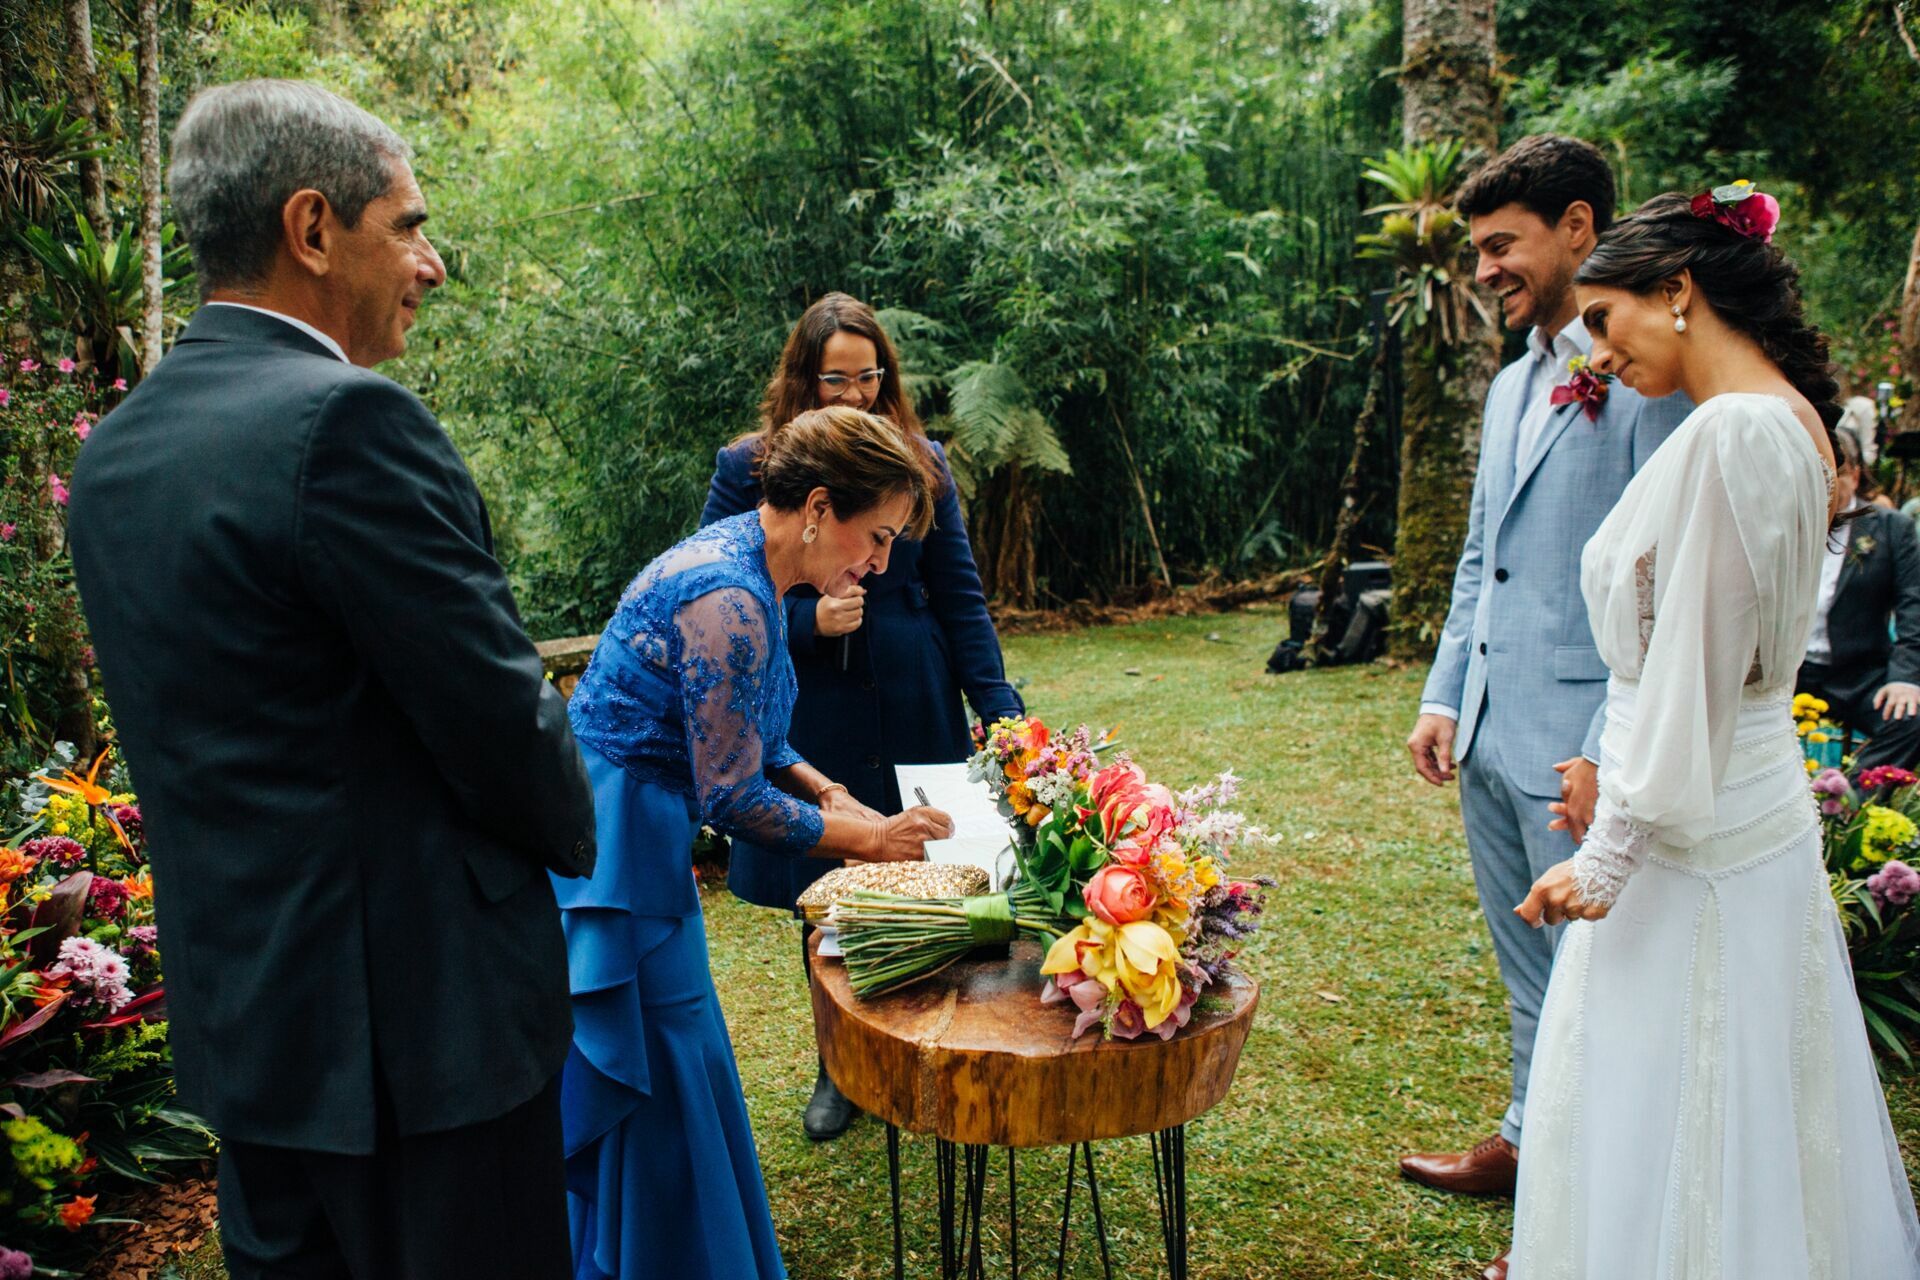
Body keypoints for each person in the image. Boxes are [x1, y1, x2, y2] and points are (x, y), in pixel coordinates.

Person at [67, 81, 597, 1277]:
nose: (434, 262)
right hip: (428, 1052)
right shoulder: (348, 424)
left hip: (255, 1044)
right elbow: (502, 716)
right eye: (408, 224)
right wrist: (577, 827)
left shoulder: (114, 454)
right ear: (313, 229)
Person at [1510, 188, 1920, 1277]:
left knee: (1678, 1100)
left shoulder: (1738, 432)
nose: (1596, 353)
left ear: (1678, 290)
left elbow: (1692, 661)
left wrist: (1606, 857)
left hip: (1692, 847)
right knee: (1743, 1106)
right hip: (1745, 811)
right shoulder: (1792, 423)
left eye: (1604, 319)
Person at [561, 404, 956, 1280]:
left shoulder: (761, 560)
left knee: (675, 1055)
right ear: (820, 506)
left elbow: (759, 737)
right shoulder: (730, 596)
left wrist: (825, 788)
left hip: (641, 823)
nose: (882, 563)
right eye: (877, 535)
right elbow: (734, 794)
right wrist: (871, 838)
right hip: (618, 846)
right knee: (662, 1057)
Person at [1401, 135, 1690, 1255]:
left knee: (1598, 980)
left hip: (1582, 743)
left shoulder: (1643, 376)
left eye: (1501, 245)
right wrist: (1442, 696)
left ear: (1579, 227)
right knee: (1530, 973)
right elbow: (1485, 554)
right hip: (1484, 729)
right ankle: (1528, 1138)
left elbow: (1660, 576)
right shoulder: (1514, 383)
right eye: (1477, 252)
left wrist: (1603, 744)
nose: (1484, 270)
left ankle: (1594, 1195)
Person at [701, 293, 1023, 1139]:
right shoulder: (750, 464)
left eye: (868, 377)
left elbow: (961, 594)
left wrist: (999, 707)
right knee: (829, 884)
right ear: (802, 378)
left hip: (915, 690)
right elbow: (723, 586)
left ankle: (934, 1050)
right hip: (811, 706)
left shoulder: (924, 461)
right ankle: (838, 1064)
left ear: (887, 377)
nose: (852, 395)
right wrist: (807, 621)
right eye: (833, 377)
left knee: (930, 875)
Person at [1798, 428, 1920, 774]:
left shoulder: (1892, 528)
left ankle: (1846, 801)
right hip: (1789, 671)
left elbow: (1913, 606)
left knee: (1912, 721)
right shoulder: (1784, 518)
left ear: (1853, 473)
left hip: (1857, 674)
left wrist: (1906, 678)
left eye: (1831, 475)